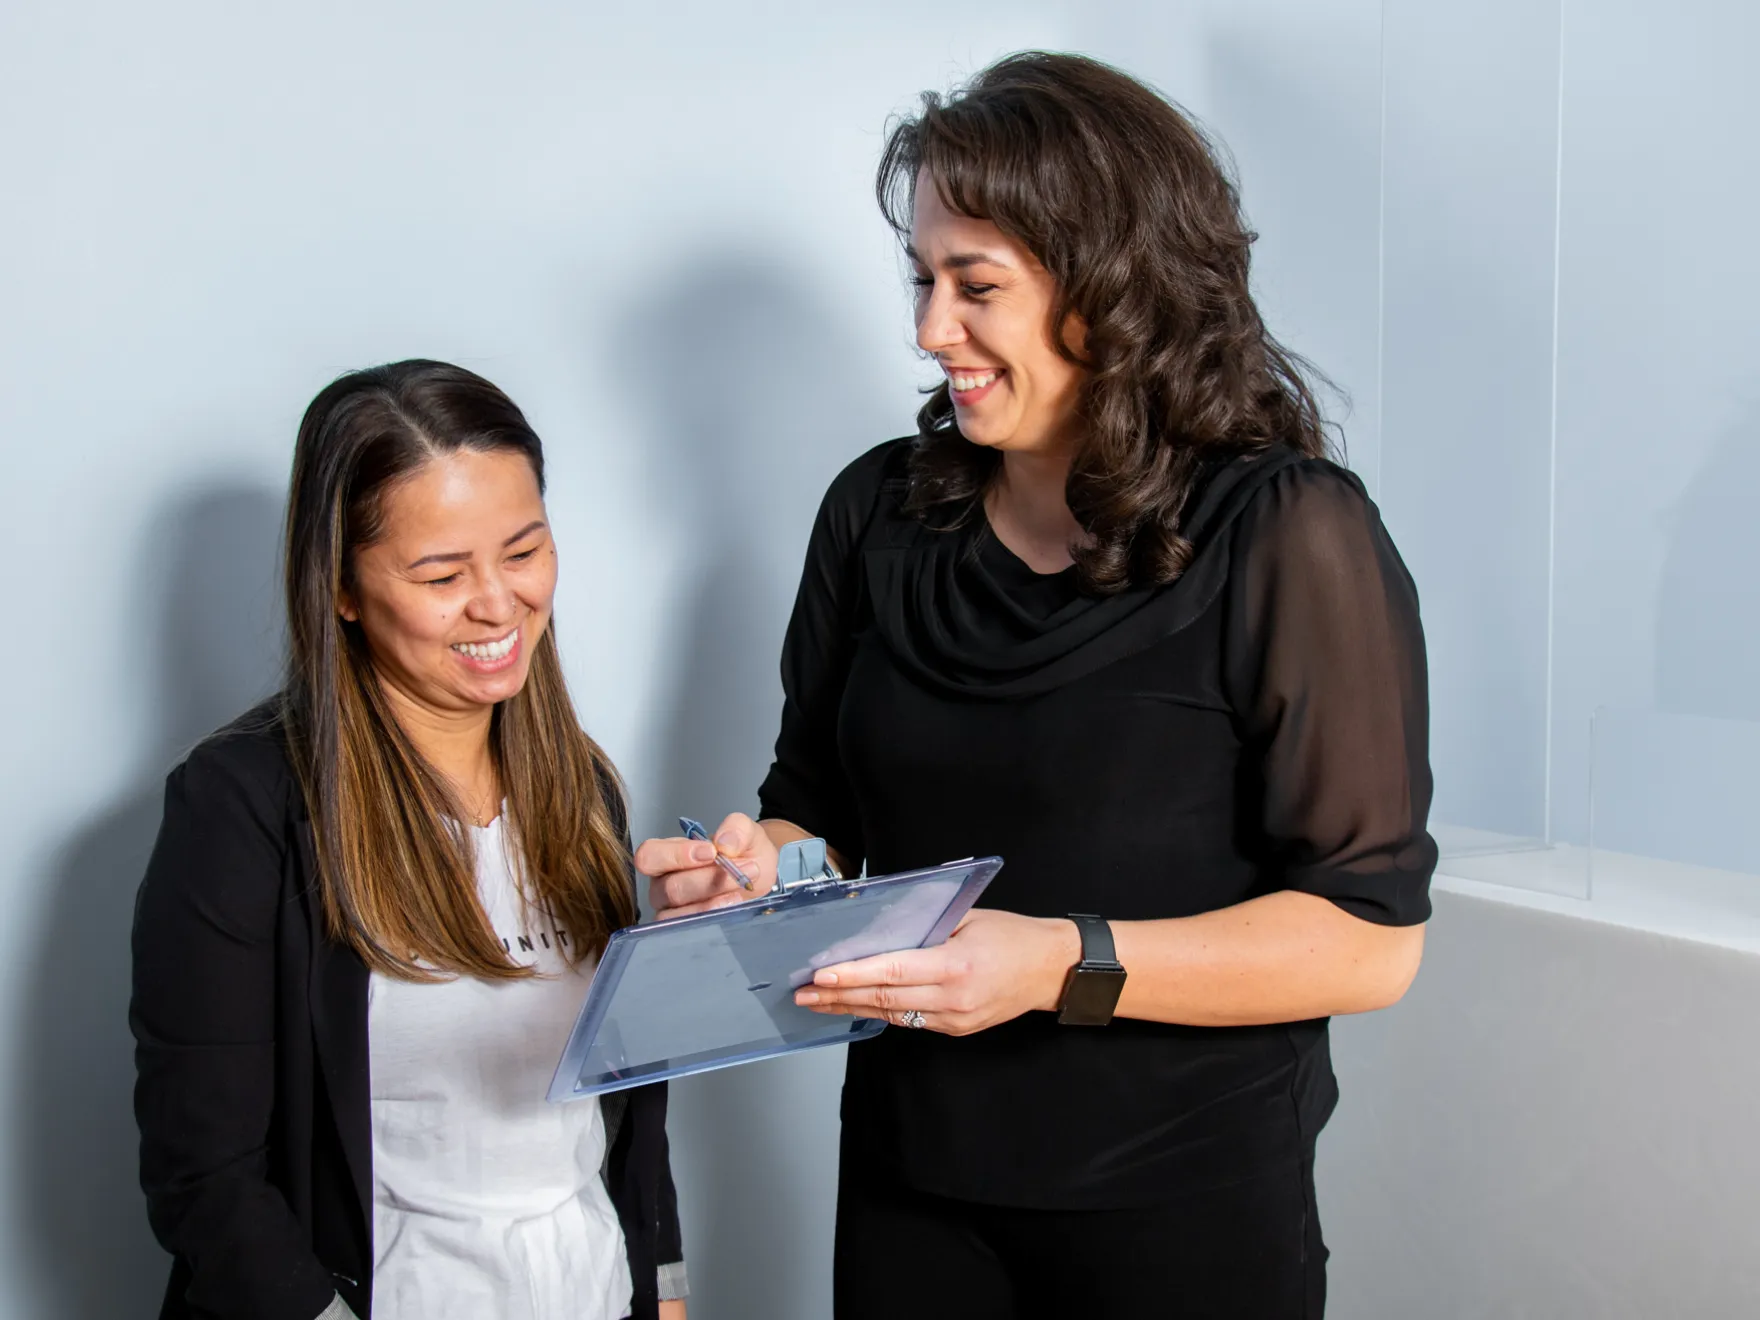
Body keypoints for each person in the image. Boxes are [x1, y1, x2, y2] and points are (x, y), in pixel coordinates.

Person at [638, 53, 1434, 1319]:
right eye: (921, 280)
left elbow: (1366, 939)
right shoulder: (875, 514)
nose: (926, 329)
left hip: (1182, 1204)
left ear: (1109, 289)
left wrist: (1057, 965)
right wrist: (758, 879)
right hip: (912, 1184)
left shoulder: (1284, 533)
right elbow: (814, 816)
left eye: (974, 286)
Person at [130, 361, 687, 1320]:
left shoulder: (581, 784)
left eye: (523, 551)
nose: (498, 603)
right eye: (441, 574)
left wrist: (666, 1293)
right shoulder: (241, 806)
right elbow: (204, 1178)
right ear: (342, 588)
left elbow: (626, 1110)